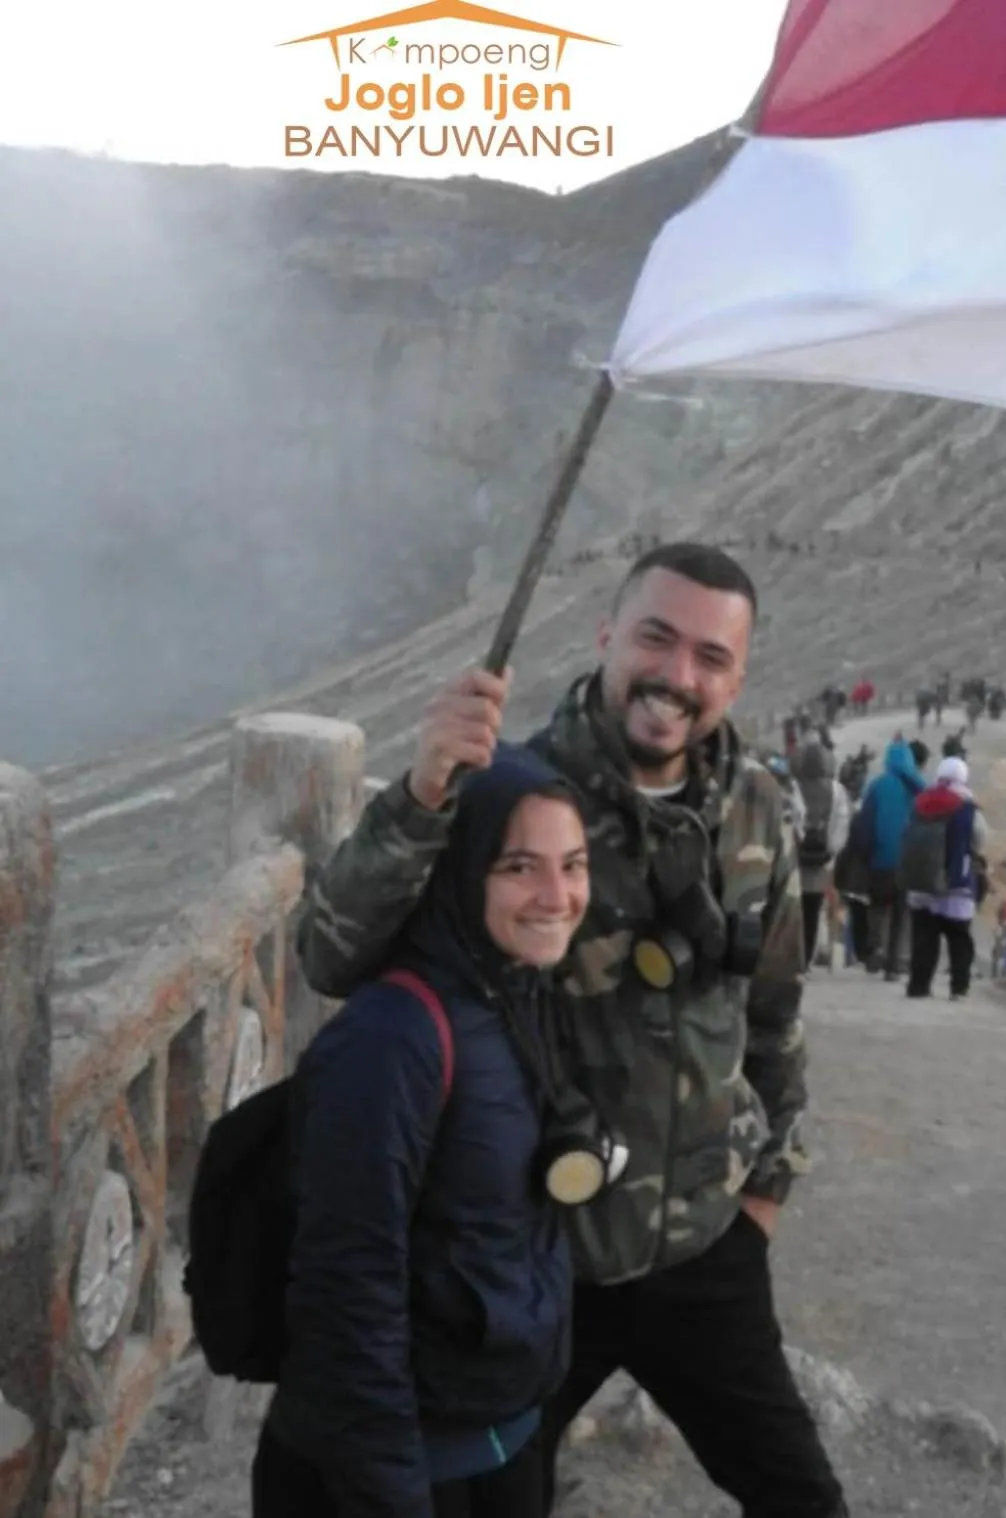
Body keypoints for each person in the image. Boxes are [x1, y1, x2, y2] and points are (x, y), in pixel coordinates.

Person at [296, 543, 847, 1518]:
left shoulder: (756, 805)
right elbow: (329, 956)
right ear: (605, 638)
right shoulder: (501, 791)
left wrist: (767, 1190)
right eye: (656, 638)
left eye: (711, 658)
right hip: (532, 1263)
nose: (678, 677)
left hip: (703, 1254)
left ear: (738, 675)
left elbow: (774, 1007)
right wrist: (424, 793)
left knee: (802, 1500)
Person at [254, 747, 583, 1518]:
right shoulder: (393, 1037)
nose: (557, 895)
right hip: (396, 1476)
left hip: (501, 1445)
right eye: (519, 867)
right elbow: (349, 1296)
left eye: (573, 865)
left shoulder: (514, 991)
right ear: (460, 870)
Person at [901, 755, 987, 1000]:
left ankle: (918, 985)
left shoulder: (921, 800)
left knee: (923, 938)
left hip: (922, 882)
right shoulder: (967, 804)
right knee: (959, 938)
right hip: (955, 883)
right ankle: (958, 988)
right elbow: (979, 839)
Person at [851, 737, 929, 980]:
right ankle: (896, 963)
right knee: (902, 912)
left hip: (880, 860)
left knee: (878, 906)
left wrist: (863, 854)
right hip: (908, 863)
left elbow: (865, 823)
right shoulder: (919, 787)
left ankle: (877, 947)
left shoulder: (877, 785)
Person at [792, 739, 851, 967]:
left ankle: (793, 956)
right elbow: (842, 823)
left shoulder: (794, 786)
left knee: (792, 912)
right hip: (821, 863)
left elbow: (792, 820)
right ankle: (806, 958)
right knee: (812, 911)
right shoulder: (837, 790)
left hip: (795, 861)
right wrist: (831, 851)